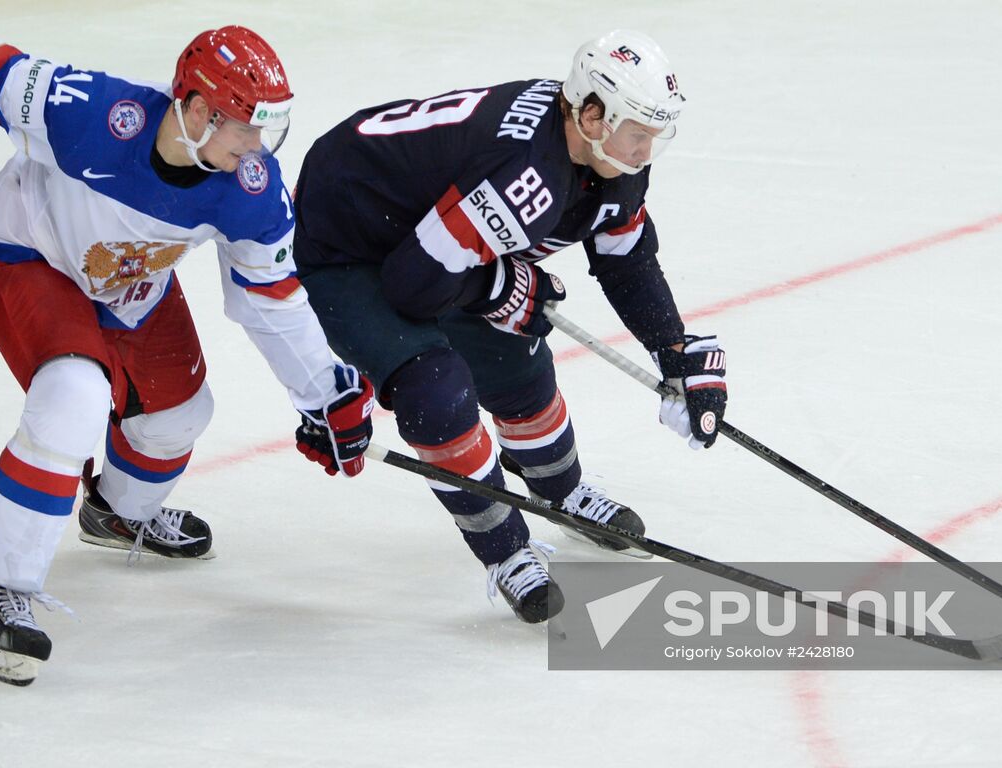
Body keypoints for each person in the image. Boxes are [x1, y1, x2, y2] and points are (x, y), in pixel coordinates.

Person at [0, 27, 375, 686]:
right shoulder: (93, 112)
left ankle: (116, 513)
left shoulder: (249, 188)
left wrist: (326, 393)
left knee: (179, 418)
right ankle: (1, 594)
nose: (257, 145)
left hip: (129, 282)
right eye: (245, 127)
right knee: (75, 396)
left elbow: (271, 299)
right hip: (29, 258)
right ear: (198, 110)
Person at [290, 30, 728, 624]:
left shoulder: (608, 157)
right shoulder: (526, 174)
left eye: (655, 133)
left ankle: (560, 490)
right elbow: (412, 286)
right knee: (436, 392)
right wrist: (500, 287)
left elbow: (626, 260)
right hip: (349, 244)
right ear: (591, 115)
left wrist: (675, 350)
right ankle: (506, 550)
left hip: (431, 241)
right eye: (638, 132)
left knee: (516, 365)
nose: (646, 150)